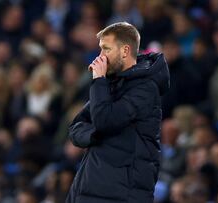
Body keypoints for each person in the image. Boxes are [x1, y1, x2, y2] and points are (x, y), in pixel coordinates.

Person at [66, 22, 169, 203]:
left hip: (122, 192)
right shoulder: (112, 84)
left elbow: (105, 120)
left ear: (124, 51)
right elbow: (75, 128)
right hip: (92, 187)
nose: (100, 57)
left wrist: (99, 80)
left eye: (106, 49)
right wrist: (96, 134)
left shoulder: (145, 88)